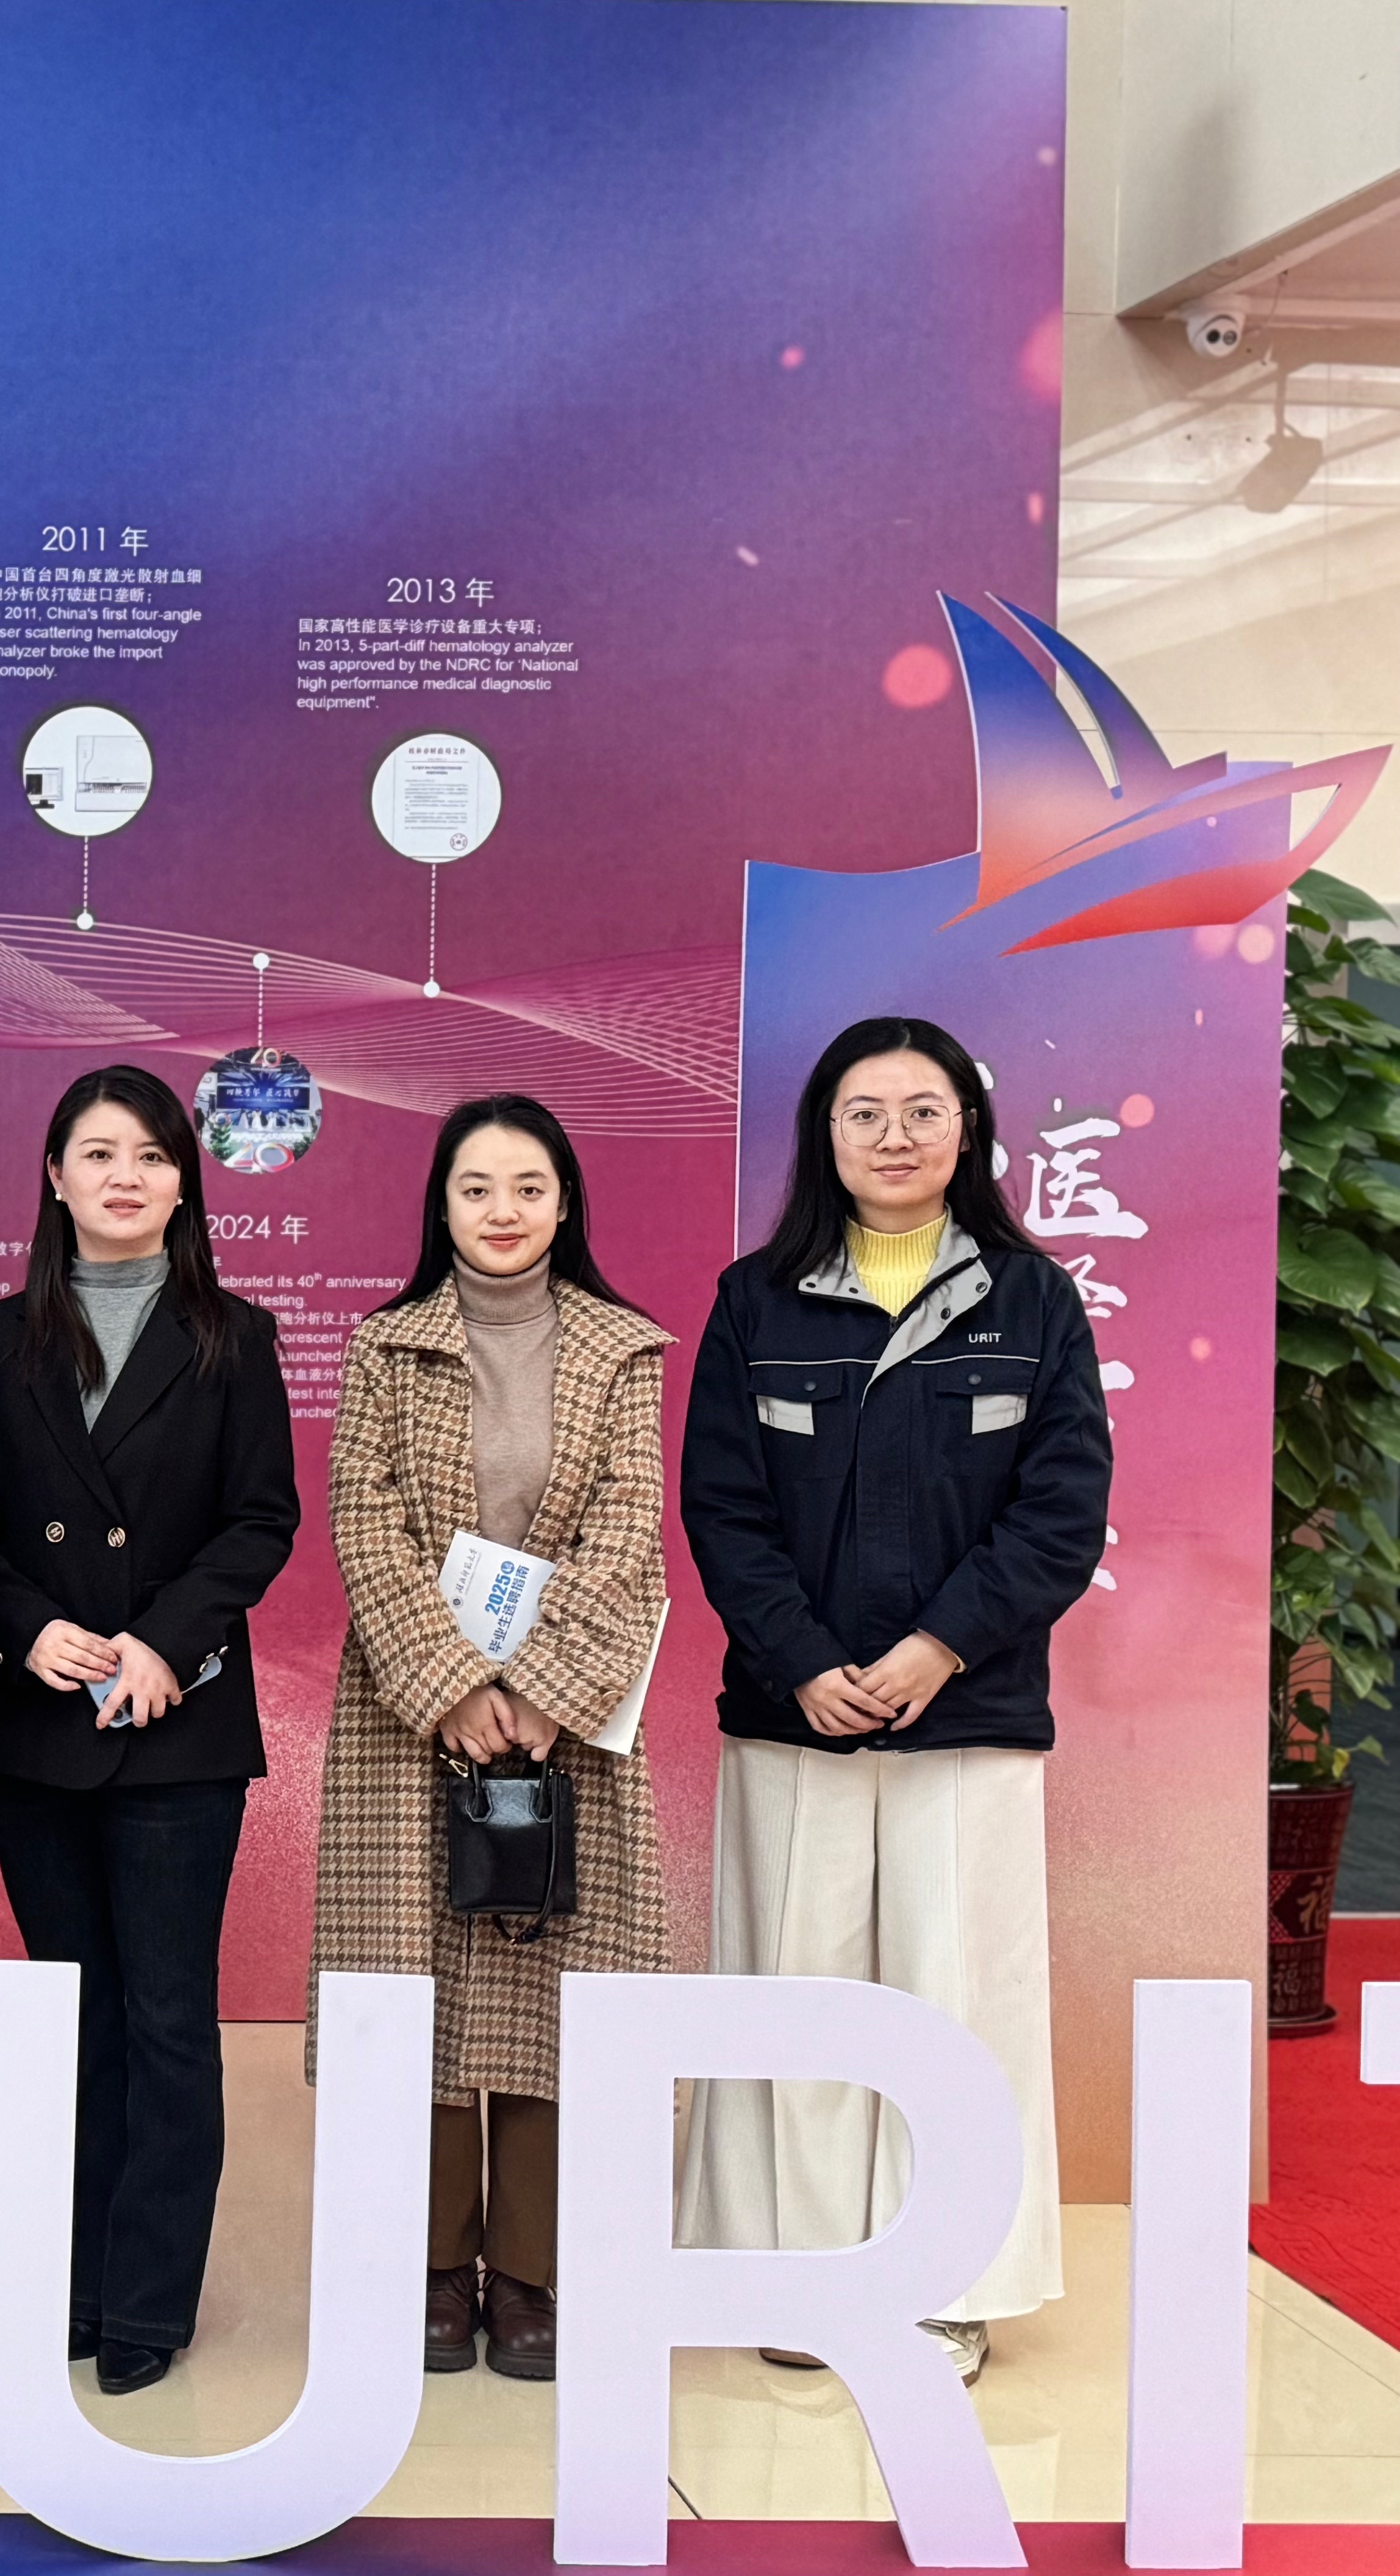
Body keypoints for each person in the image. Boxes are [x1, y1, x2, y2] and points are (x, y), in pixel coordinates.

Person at [676, 1016, 1111, 2386]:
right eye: (865, 1112)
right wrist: (805, 1662)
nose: (896, 1137)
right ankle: (801, 2276)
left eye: (924, 1110)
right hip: (792, 1711)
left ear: (967, 1131)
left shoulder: (1032, 1301)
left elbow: (1061, 1515)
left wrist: (938, 1649)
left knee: (956, 2000)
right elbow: (724, 1510)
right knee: (797, 1993)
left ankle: (948, 2284)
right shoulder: (756, 1302)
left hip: (969, 1716)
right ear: (826, 1133)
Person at [313, 1094, 670, 2384]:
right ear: (443, 1205)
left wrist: (540, 1695)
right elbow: (363, 1522)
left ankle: (528, 2272)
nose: (503, 1210)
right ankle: (425, 2265)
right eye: (477, 1188)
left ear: (565, 1203)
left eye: (528, 1187)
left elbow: (629, 1527)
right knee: (408, 1990)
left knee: (548, 1991)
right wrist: (457, 1687)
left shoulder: (626, 1350)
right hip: (407, 1720)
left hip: (568, 1725)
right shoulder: (384, 1345)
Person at [0, 1066, 299, 2396]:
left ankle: (149, 2298)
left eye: (151, 1156)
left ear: (183, 1184)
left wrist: (166, 1642)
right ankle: (76, 2282)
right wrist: (24, 1627)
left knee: (165, 2016)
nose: (125, 1177)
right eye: (98, 1155)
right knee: (73, 2013)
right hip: (42, 1724)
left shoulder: (234, 1337)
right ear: (54, 1178)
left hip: (178, 1723)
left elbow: (260, 1520)